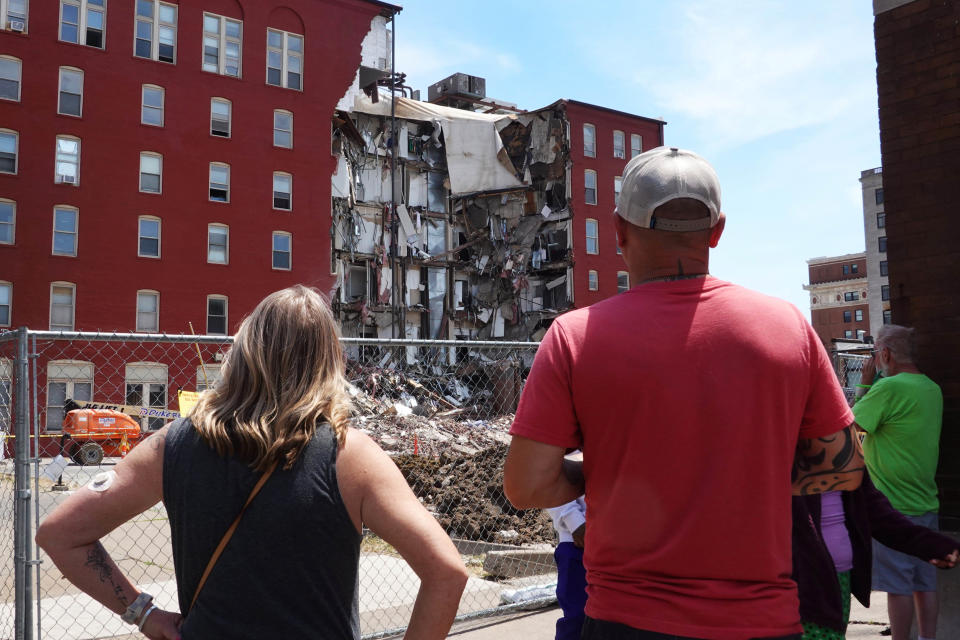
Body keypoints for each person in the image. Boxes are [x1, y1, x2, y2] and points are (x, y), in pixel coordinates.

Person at [503, 147, 864, 640]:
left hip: (626, 621)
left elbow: (526, 485)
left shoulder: (574, 337)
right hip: (761, 622)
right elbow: (842, 466)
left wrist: (610, 469)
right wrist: (745, 473)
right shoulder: (786, 327)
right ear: (717, 231)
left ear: (618, 229)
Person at [37, 285, 469, 640]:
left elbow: (60, 534)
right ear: (327, 361)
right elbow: (447, 572)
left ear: (244, 350)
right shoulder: (350, 456)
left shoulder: (172, 444)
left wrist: (142, 613)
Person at [852, 324, 943, 640]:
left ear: (885, 353)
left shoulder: (888, 389)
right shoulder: (932, 388)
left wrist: (864, 386)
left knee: (897, 585)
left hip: (892, 506)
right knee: (924, 581)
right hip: (926, 501)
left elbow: (852, 428)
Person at [793, 471, 958, 640]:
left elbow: (875, 511)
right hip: (797, 585)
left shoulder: (846, 451)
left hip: (839, 580)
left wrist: (934, 545)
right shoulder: (783, 453)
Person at [546, 492, 587, 640]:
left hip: (625, 540)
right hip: (578, 540)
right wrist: (574, 521)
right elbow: (549, 479)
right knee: (577, 620)